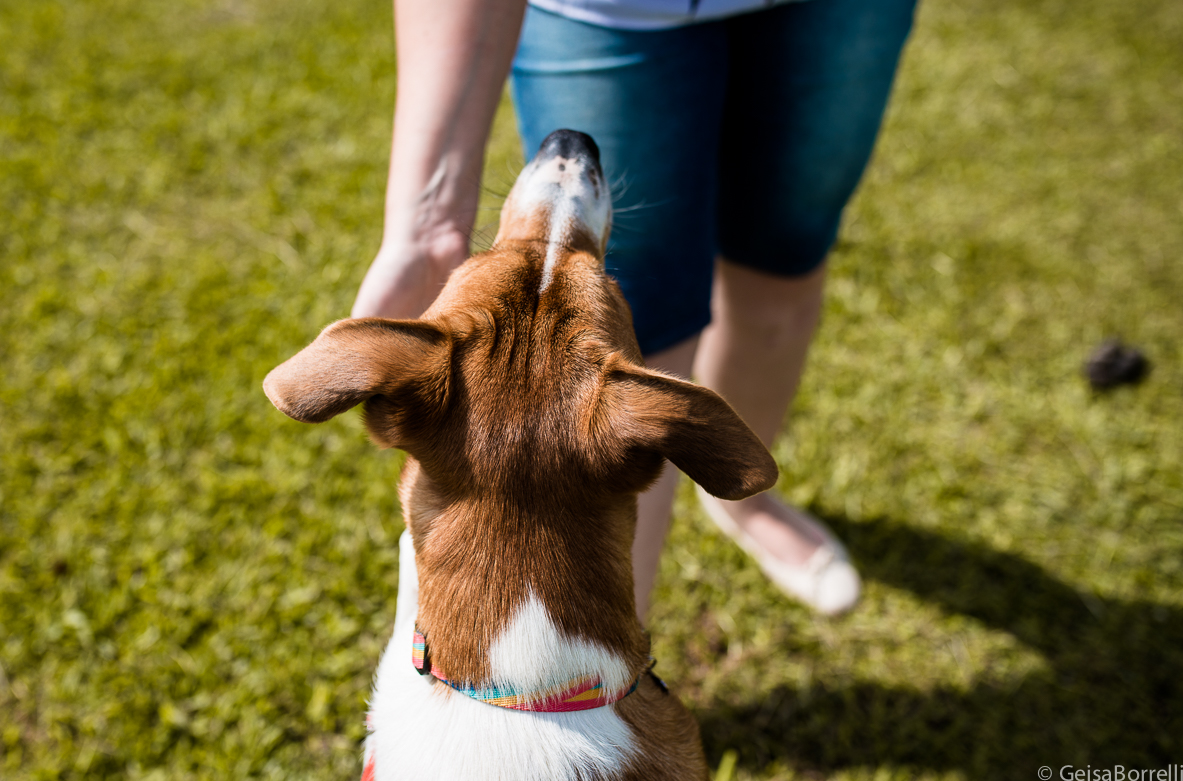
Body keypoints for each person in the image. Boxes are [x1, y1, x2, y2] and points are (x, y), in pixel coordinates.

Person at [352, 0, 918, 618]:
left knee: (780, 264)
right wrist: (428, 223)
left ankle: (743, 504)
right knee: (625, 323)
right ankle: (606, 672)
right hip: (607, 13)